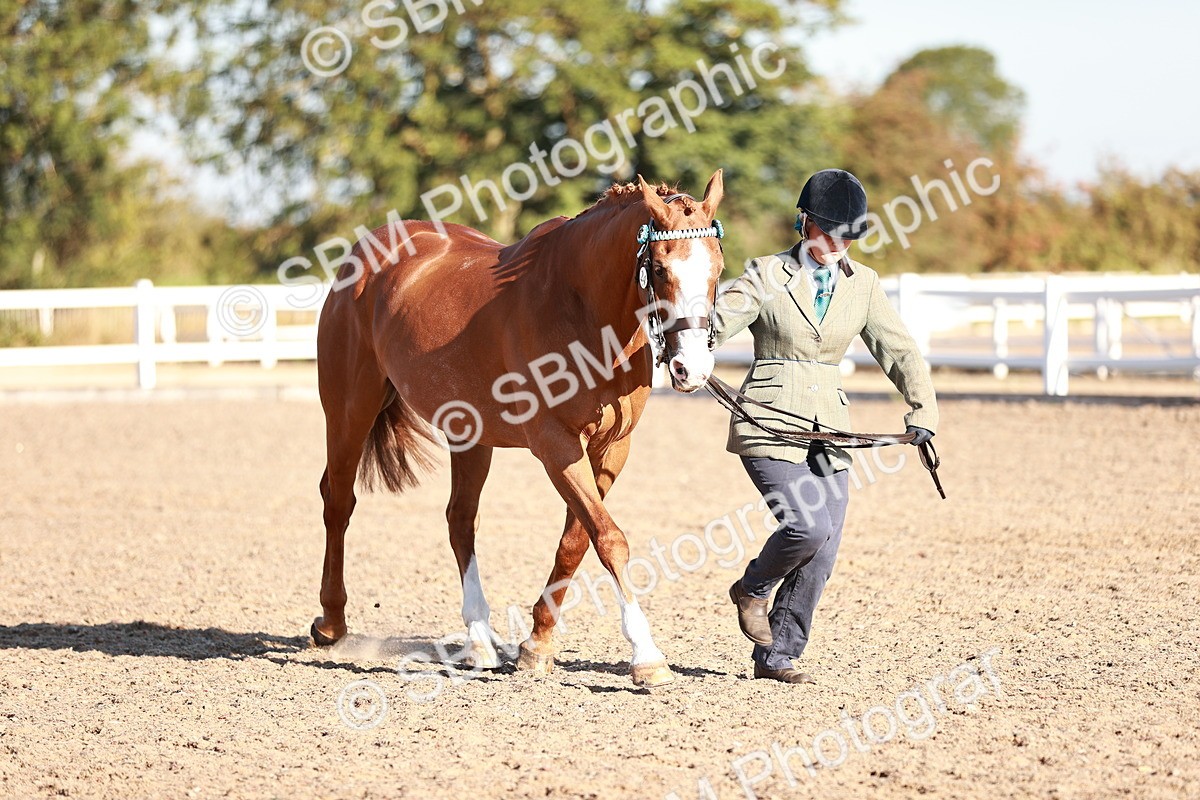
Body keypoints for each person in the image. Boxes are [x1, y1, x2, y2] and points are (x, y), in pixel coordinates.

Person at [710, 168, 939, 684]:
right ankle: (752, 588)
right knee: (807, 526)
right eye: (826, 231)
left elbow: (898, 350)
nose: (835, 244)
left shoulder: (865, 286)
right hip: (767, 419)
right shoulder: (767, 273)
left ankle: (778, 656)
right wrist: (693, 344)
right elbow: (721, 318)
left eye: (846, 235)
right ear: (803, 222)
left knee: (826, 545)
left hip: (829, 427)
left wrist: (922, 410)